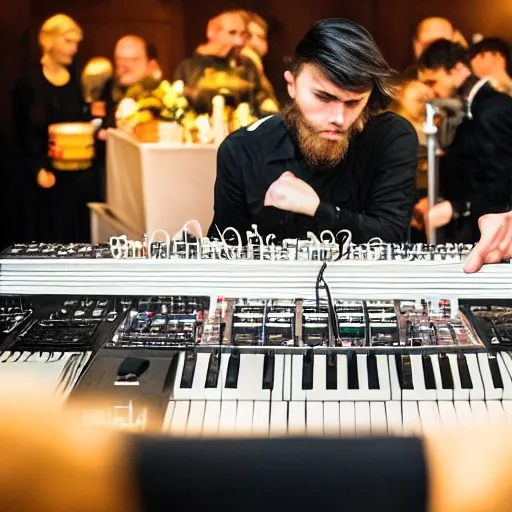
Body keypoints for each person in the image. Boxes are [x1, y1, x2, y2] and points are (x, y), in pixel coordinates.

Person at [208, 18, 417, 244]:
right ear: (292, 85)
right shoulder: (244, 149)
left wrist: (316, 210)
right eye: (324, 97)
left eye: (353, 103)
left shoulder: (390, 138)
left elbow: (392, 238)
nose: (338, 118)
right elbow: (223, 252)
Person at [418, 40, 512, 243]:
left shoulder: (493, 110)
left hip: (490, 236)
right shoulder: (472, 110)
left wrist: (460, 207)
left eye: (433, 82)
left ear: (459, 69)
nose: (432, 92)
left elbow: (502, 182)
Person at [12, 13, 93, 242]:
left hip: (78, 178)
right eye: (68, 41)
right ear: (49, 40)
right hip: (44, 180)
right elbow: (19, 135)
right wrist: (36, 169)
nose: (74, 48)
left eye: (76, 42)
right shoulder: (29, 83)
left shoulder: (77, 80)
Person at [174, 10, 275, 114]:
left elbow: (261, 101)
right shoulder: (187, 68)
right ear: (212, 32)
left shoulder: (247, 65)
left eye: (242, 34)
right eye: (232, 33)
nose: (239, 41)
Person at [100, 35, 159, 127]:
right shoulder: (106, 90)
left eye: (133, 59)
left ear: (151, 65)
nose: (125, 64)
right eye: (119, 59)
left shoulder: (161, 98)